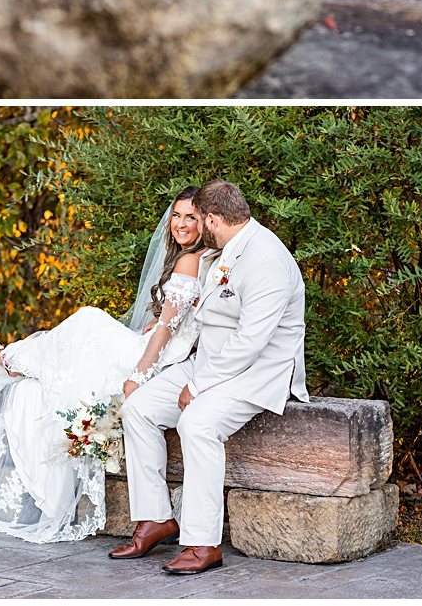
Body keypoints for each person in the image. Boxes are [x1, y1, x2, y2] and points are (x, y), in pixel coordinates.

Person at [0, 188, 207, 543]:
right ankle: (18, 358)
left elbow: (168, 326)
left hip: (153, 360)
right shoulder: (197, 258)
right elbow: (176, 320)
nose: (181, 224)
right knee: (87, 327)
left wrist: (139, 373)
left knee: (89, 320)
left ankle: (13, 359)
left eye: (190, 217)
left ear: (205, 221)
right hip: (161, 353)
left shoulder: (190, 260)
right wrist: (160, 327)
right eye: (177, 216)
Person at [112, 180, 309, 577]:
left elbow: (251, 342)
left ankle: (203, 543)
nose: (197, 227)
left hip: (257, 371)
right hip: (209, 361)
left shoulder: (266, 260)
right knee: (139, 409)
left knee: (196, 423)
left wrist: (197, 387)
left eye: (200, 219)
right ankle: (155, 518)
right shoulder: (225, 248)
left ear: (214, 219)